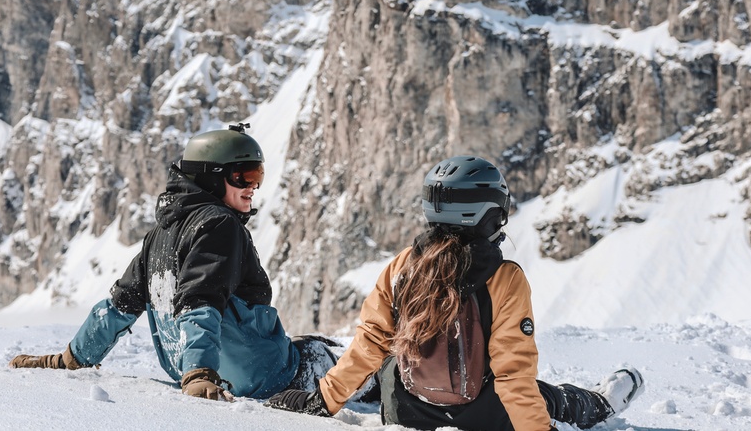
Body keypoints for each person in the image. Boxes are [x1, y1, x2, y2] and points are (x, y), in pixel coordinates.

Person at [266, 156, 644, 430]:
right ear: (486, 214)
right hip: (484, 416)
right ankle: (598, 402)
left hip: (407, 412)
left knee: (388, 361)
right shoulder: (504, 278)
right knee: (547, 398)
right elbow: (513, 378)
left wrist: (322, 401)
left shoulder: (401, 267)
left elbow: (367, 346)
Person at [9, 124, 336, 401]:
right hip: (263, 377)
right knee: (326, 358)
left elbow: (119, 306)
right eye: (243, 176)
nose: (253, 187)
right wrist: (198, 373)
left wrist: (69, 359)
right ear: (212, 177)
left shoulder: (160, 235)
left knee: (309, 345)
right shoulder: (221, 225)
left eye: (257, 176)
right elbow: (201, 298)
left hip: (203, 370)